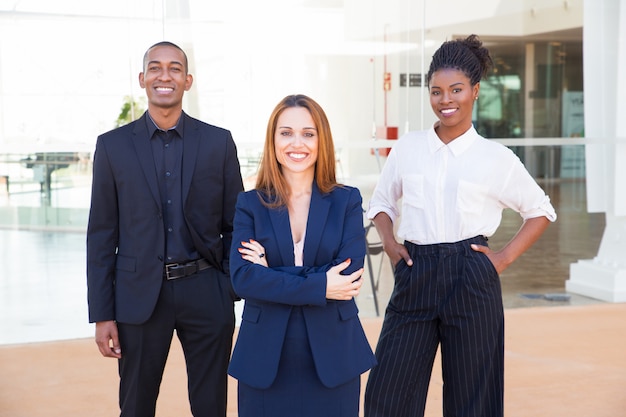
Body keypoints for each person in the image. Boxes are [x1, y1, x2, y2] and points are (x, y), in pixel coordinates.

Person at [363, 35, 557, 417]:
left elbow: (540, 211)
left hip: (472, 274)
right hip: (415, 271)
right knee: (388, 393)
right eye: (436, 91)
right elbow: (382, 203)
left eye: (456, 89)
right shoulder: (409, 147)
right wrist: (388, 241)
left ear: (475, 91)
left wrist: (500, 259)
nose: (445, 100)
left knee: (474, 400)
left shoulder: (496, 158)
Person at [86, 41, 243, 417]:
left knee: (211, 406)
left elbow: (236, 223)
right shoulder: (112, 147)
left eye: (174, 68)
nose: (164, 75)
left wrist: (228, 287)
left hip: (206, 290)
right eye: (155, 68)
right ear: (142, 79)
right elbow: (102, 235)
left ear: (188, 81)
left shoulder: (218, 142)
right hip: (138, 296)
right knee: (136, 405)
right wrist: (102, 313)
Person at [227, 94, 377, 417]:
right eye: (286, 133)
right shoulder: (250, 204)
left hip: (334, 357)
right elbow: (243, 279)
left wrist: (271, 274)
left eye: (308, 133)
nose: (297, 143)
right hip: (264, 357)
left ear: (322, 140)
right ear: (273, 140)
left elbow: (347, 278)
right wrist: (321, 285)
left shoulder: (346, 201)